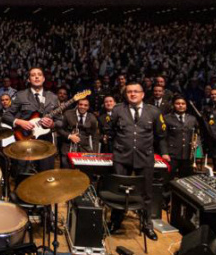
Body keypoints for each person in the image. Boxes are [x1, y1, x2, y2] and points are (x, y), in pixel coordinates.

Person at [106, 83, 165, 240]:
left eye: (136, 92)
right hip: (122, 157)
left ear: (143, 94)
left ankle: (147, 224)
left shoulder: (153, 111)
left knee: (146, 193)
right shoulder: (118, 110)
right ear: (125, 94)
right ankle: (115, 222)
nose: (132, 94)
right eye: (129, 92)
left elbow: (159, 135)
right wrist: (115, 149)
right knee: (119, 190)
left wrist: (165, 154)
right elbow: (110, 131)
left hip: (145, 157)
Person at [3, 68, 59, 171]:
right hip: (25, 141)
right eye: (33, 75)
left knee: (45, 176)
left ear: (43, 79)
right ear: (29, 79)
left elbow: (61, 121)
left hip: (45, 142)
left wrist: (52, 124)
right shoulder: (21, 95)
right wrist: (19, 122)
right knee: (23, 176)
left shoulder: (53, 97)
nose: (36, 77)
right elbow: (6, 115)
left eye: (39, 75)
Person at [161, 96, 199, 180]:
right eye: (178, 104)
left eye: (183, 104)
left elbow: (197, 134)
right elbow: (162, 138)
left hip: (187, 154)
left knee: (186, 180)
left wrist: (196, 143)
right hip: (172, 154)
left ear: (186, 105)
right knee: (168, 179)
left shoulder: (192, 119)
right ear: (173, 105)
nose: (180, 105)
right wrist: (164, 153)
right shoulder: (166, 118)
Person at [56, 97, 99, 166]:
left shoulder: (92, 118)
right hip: (67, 149)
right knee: (67, 174)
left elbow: (95, 137)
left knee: (82, 175)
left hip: (84, 151)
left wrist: (95, 153)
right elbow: (59, 129)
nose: (82, 107)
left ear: (88, 107)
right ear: (77, 105)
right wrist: (69, 136)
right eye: (80, 104)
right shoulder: (68, 114)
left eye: (85, 105)